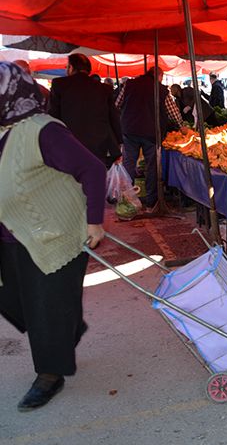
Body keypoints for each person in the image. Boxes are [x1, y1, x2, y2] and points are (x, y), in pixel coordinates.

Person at [0, 62, 106, 412]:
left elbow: (92, 169)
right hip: (13, 234)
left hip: (52, 234)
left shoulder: (43, 131)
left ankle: (49, 375)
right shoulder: (4, 129)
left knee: (44, 308)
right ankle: (67, 326)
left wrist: (94, 222)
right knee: (13, 298)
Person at [115, 67, 182, 208]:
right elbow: (173, 113)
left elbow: (117, 104)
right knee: (152, 167)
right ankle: (152, 200)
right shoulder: (161, 90)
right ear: (159, 76)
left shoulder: (129, 84)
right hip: (151, 133)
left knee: (128, 165)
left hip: (129, 130)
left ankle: (127, 200)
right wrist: (181, 126)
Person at [48, 54, 121, 167]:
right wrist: (118, 144)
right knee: (94, 175)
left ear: (71, 67)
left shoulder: (59, 84)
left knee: (71, 176)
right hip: (98, 144)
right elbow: (113, 118)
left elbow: (53, 115)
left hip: (69, 143)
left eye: (67, 67)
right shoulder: (104, 89)